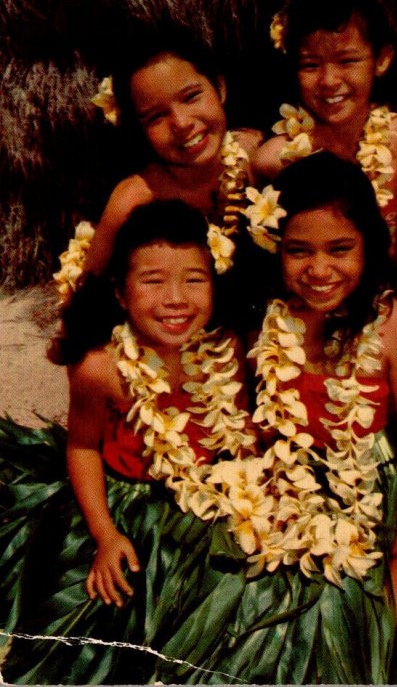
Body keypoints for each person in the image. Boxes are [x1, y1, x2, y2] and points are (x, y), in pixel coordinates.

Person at [153, 153, 397, 684]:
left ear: (367, 245)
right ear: (274, 248)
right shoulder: (264, 318)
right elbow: (249, 415)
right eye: (298, 251)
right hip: (289, 482)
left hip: (383, 488)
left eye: (340, 249)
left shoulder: (391, 328)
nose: (319, 270)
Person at [0, 199, 255, 684]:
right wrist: (105, 533)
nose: (176, 298)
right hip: (126, 500)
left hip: (210, 499)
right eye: (153, 281)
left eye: (194, 280)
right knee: (99, 616)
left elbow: (243, 433)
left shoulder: (228, 348)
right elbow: (83, 447)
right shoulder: (102, 367)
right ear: (120, 292)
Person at [252, 0, 397, 319]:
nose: (328, 80)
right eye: (310, 65)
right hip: (308, 316)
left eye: (347, 61)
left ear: (381, 60)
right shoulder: (277, 157)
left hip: (387, 308)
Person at [54, 27, 262, 298]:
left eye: (191, 97)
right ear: (139, 130)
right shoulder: (135, 197)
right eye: (156, 117)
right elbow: (86, 297)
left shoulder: (256, 154)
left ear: (219, 88)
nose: (181, 123)